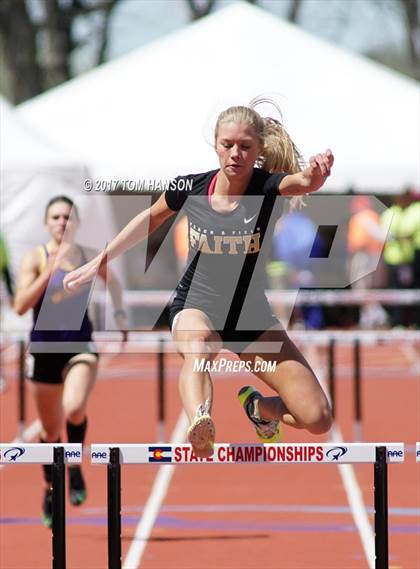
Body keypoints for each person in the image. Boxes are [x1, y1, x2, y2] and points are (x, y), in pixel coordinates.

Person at [64, 99, 334, 458]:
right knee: (198, 346)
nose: (235, 154)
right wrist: (100, 258)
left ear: (258, 150)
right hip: (197, 306)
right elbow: (148, 220)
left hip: (250, 316)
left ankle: (260, 409)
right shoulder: (191, 187)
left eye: (245, 147)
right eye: (227, 145)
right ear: (215, 144)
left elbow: (301, 182)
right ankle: (200, 421)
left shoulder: (267, 188)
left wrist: (316, 176)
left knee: (318, 418)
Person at [14, 195, 127, 527]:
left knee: (75, 406)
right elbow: (21, 305)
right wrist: (50, 270)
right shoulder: (35, 258)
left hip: (80, 345)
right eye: (56, 217)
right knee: (50, 432)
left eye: (67, 217)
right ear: (47, 223)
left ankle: (75, 464)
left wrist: (119, 314)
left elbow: (114, 283)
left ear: (76, 223)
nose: (62, 222)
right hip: (43, 350)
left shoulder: (88, 257)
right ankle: (50, 488)